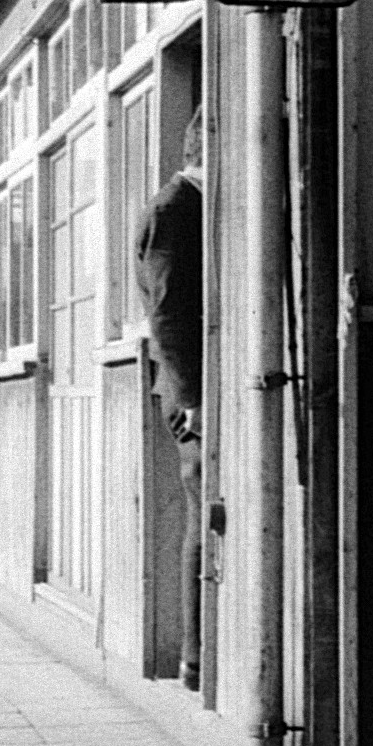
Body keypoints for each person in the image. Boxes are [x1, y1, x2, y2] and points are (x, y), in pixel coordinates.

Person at [135, 110, 205, 691]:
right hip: (192, 392)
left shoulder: (188, 205)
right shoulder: (175, 209)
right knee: (205, 516)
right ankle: (196, 654)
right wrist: (193, 397)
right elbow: (169, 313)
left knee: (207, 514)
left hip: (196, 386)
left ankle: (199, 653)